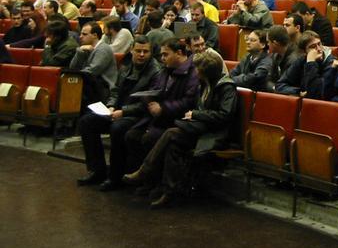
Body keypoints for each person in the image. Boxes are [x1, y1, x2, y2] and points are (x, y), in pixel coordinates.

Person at [124, 50, 237, 208]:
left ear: (206, 72)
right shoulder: (204, 84)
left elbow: (225, 115)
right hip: (200, 128)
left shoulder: (226, 87)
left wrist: (196, 114)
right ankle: (168, 192)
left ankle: (145, 172)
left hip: (215, 134)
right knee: (173, 145)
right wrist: (195, 115)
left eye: (198, 69)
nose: (195, 72)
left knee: (171, 133)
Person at [75, 36, 161, 189]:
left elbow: (148, 103)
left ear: (151, 52)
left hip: (138, 116)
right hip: (117, 111)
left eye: (145, 51)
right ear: (131, 50)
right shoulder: (126, 66)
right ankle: (96, 170)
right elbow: (115, 91)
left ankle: (115, 176)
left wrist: (123, 112)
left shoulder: (156, 72)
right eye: (138, 51)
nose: (141, 54)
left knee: (117, 128)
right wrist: (111, 106)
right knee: (86, 122)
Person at [124, 38, 201, 177]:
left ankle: (150, 180)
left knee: (149, 138)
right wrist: (148, 99)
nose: (162, 58)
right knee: (131, 135)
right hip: (158, 118)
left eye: (166, 54)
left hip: (176, 121)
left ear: (179, 53)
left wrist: (163, 108)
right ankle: (140, 179)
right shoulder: (166, 70)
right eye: (161, 55)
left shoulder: (193, 72)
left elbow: (188, 102)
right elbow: (155, 89)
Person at [276, 31, 332, 97]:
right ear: (304, 52)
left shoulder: (330, 63)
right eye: (313, 47)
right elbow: (280, 85)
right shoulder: (301, 61)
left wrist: (311, 63)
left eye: (319, 44)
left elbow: (315, 93)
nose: (319, 49)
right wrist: (298, 92)